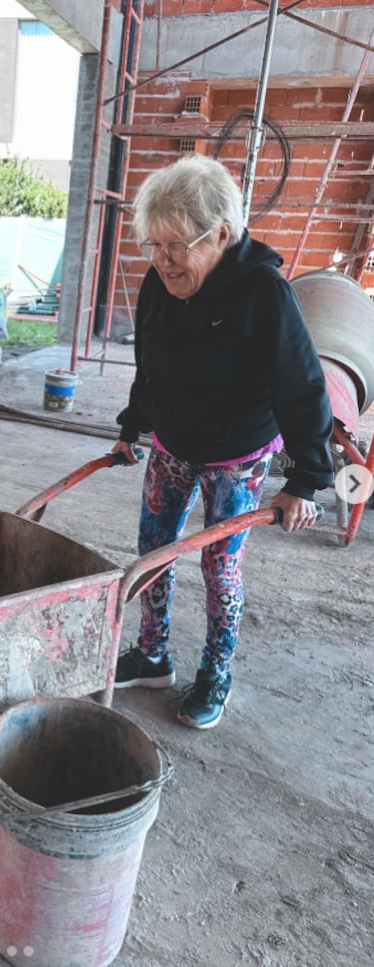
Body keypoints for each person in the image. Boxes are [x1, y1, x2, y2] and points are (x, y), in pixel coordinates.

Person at [112, 154, 333, 729]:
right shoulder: (160, 286)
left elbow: (302, 385)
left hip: (237, 454)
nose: (162, 261)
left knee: (219, 563)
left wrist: (307, 480)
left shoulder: (265, 293)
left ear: (223, 235)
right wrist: (131, 427)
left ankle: (216, 671)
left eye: (176, 246)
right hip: (172, 442)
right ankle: (153, 654)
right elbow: (149, 364)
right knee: (153, 551)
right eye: (153, 246)